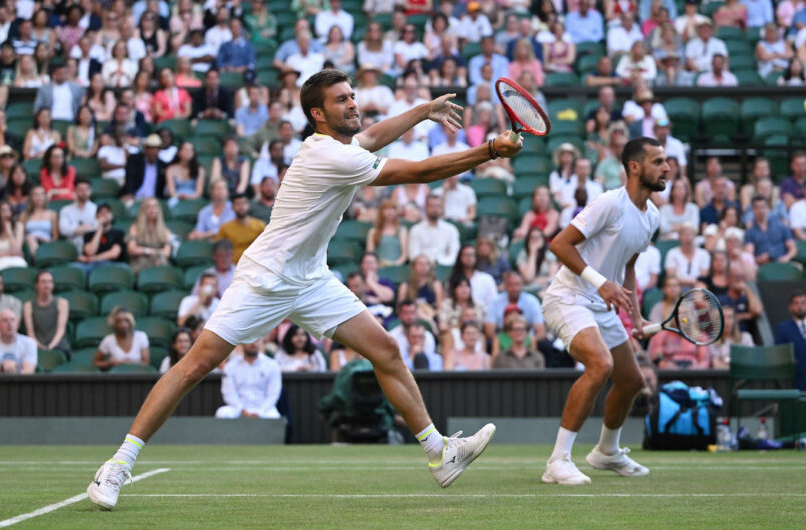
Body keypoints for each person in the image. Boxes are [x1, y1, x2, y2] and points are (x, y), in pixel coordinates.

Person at [86, 69, 513, 510]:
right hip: (264, 277)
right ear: (317, 113)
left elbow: (373, 136)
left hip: (311, 279)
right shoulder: (329, 156)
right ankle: (118, 464)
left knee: (385, 350)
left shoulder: (342, 146)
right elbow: (420, 172)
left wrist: (424, 111)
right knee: (195, 366)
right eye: (341, 100)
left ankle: (439, 453)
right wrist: (490, 150)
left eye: (352, 95)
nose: (352, 103)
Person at [539, 137, 666, 485]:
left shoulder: (651, 216)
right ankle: (558, 460)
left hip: (602, 304)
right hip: (568, 298)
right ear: (635, 167)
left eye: (666, 161)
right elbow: (559, 244)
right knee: (600, 365)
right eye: (658, 161)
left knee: (631, 381)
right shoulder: (608, 203)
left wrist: (636, 317)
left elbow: (628, 269)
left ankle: (606, 452)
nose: (667, 167)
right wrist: (600, 283)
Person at [216, 339, 282, 419]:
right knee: (222, 413)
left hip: (264, 409)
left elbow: (273, 394)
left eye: (257, 340)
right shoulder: (230, 366)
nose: (253, 343)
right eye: (250, 340)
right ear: (242, 343)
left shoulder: (272, 365)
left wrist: (260, 411)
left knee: (274, 416)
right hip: (237, 410)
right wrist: (242, 410)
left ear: (261, 342)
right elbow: (229, 393)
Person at [774, 291, 806, 391]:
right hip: (795, 379)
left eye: (803, 303)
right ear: (790, 307)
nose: (800, 306)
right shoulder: (783, 328)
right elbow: (779, 352)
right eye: (796, 303)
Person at [23, 270, 70, 352]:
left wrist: (51, 347)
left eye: (49, 281)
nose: (47, 284)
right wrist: (39, 346)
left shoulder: (62, 303)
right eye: (43, 282)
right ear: (37, 285)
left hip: (59, 347)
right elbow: (30, 333)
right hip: (37, 347)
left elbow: (61, 330)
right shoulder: (28, 306)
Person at [389, 298, 442, 371]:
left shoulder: (428, 336)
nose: (409, 316)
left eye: (412, 312)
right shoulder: (392, 336)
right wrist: (411, 357)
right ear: (400, 315)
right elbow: (393, 365)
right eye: (406, 313)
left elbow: (430, 364)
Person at [408, 195, 460, 266]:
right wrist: (426, 264)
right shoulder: (416, 230)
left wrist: (441, 263)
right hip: (422, 269)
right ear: (425, 208)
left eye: (437, 206)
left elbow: (454, 255)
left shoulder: (451, 229)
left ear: (442, 208)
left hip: (445, 267)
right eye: (431, 206)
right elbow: (413, 255)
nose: (434, 209)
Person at [744, 195, 797, 265]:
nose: (761, 210)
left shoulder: (780, 226)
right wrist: (758, 259)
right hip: (763, 266)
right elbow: (749, 255)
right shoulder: (750, 232)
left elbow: (793, 248)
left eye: (763, 207)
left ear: (767, 208)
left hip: (782, 263)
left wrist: (786, 257)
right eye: (757, 207)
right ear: (753, 210)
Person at [0, 309, 37, 374]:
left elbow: (28, 372)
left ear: (18, 324)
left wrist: (3, 368)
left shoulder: (29, 343)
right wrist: (4, 367)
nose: (10, 323)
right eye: (5, 320)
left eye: (13, 320)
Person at [126, 197, 172, 274]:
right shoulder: (135, 228)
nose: (152, 209)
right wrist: (154, 251)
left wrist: (142, 250)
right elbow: (132, 250)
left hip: (158, 263)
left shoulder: (165, 230)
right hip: (139, 265)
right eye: (149, 207)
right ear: (143, 210)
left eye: (155, 206)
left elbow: (167, 253)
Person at [215, 194, 266, 263]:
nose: (241, 207)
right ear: (232, 207)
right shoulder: (225, 227)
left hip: (256, 264)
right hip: (233, 267)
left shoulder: (260, 225)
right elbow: (219, 249)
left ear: (248, 205)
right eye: (237, 204)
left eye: (243, 203)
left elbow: (266, 247)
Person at [120, 134, 167, 202]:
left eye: (157, 149)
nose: (154, 152)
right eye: (152, 149)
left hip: (153, 201)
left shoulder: (162, 165)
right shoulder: (135, 160)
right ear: (145, 149)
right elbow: (130, 179)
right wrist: (130, 193)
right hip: (134, 197)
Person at [0, 201, 27, 272]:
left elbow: (16, 250)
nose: (6, 213)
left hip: (15, 260)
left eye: (9, 210)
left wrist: (9, 232)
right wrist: (9, 253)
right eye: (3, 210)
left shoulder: (19, 226)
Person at [664, 222, 710, 288]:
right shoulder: (672, 253)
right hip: (677, 287)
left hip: (697, 288)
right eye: (684, 233)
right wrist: (693, 281)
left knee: (701, 287)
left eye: (691, 233)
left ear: (695, 236)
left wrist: (695, 283)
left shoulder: (704, 254)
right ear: (679, 236)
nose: (687, 236)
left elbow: (703, 277)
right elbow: (671, 276)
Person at [59, 178, 97, 252]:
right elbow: (63, 230)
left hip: (91, 246)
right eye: (81, 189)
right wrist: (86, 228)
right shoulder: (66, 210)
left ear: (91, 191)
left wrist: (73, 229)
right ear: (75, 190)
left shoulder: (96, 209)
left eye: (86, 189)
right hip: (71, 248)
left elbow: (97, 227)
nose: (84, 192)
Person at [366, 198, 408, 266]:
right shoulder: (373, 231)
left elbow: (404, 254)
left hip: (396, 267)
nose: (390, 212)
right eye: (387, 209)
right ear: (381, 211)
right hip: (378, 266)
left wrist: (394, 264)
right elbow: (370, 253)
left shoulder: (402, 230)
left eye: (393, 209)